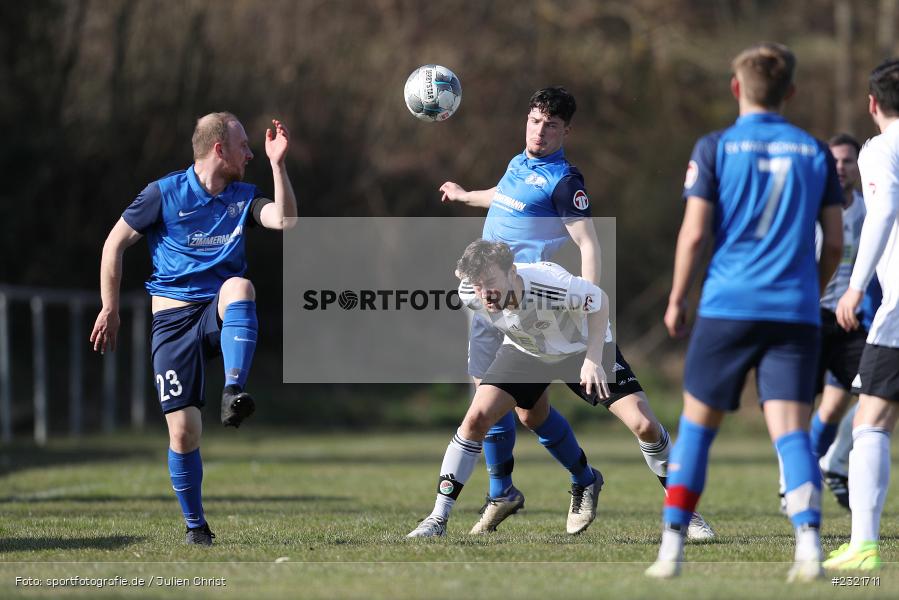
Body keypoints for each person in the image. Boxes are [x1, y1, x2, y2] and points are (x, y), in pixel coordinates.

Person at [440, 88, 712, 539]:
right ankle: (514, 489)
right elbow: (506, 199)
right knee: (516, 413)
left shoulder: (565, 181)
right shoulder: (517, 164)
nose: (539, 132)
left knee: (641, 422)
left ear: (567, 130)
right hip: (500, 311)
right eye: (533, 121)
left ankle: (684, 510)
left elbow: (588, 243)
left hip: (548, 311)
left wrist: (589, 311)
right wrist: (467, 194)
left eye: (550, 125)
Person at [645, 43, 843, 582]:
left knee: (697, 430)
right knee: (792, 435)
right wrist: (810, 291)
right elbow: (833, 244)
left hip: (728, 305)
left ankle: (672, 551)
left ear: (736, 89)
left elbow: (694, 234)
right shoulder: (815, 152)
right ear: (791, 93)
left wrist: (678, 299)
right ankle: (808, 548)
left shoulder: (715, 147)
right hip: (794, 313)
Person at [89, 113, 297, 545]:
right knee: (184, 432)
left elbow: (285, 221)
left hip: (217, 309)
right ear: (219, 148)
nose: (252, 152)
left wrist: (279, 166)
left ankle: (232, 391)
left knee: (240, 285)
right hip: (171, 322)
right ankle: (196, 527)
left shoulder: (244, 196)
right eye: (245, 145)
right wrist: (110, 307)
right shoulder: (162, 193)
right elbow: (114, 244)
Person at [407, 240, 629, 537]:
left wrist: (593, 356)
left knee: (639, 421)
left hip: (571, 340)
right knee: (491, 417)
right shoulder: (472, 290)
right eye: (476, 283)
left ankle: (584, 481)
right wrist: (464, 195)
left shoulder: (556, 202)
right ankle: (438, 518)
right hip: (524, 346)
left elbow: (588, 250)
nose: (482, 290)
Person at [776, 134, 882, 511]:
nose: (840, 167)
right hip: (807, 316)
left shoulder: (872, 209)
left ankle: (832, 463)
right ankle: (792, 482)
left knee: (878, 391)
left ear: (857, 167)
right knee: (799, 405)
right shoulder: (807, 207)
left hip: (848, 320)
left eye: (847, 161)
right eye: (835, 161)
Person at [824, 58, 899, 572]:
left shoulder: (880, 150)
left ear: (873, 105)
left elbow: (884, 209)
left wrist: (854, 287)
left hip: (897, 313)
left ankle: (864, 547)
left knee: (870, 422)